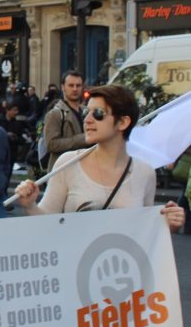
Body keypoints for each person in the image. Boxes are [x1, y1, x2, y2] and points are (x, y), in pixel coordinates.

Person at [15, 85, 185, 231]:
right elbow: (46, 222)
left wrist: (168, 224)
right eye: (86, 113)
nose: (87, 120)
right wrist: (30, 205)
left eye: (98, 113)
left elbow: (143, 233)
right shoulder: (68, 163)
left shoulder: (145, 172)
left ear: (123, 122)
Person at [44, 70, 87, 171]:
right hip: (62, 170)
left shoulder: (87, 111)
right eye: (71, 85)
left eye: (78, 85)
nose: (75, 89)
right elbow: (51, 144)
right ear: (63, 87)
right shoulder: (55, 114)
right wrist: (82, 139)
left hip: (85, 169)